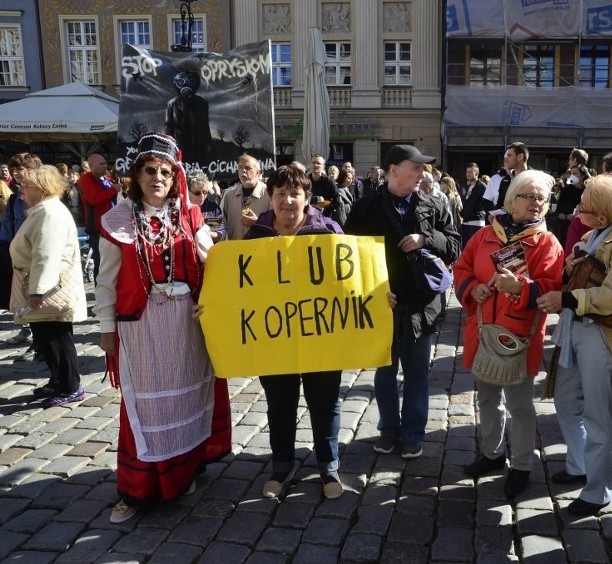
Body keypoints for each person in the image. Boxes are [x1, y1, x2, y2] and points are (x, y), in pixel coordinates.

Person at [94, 132, 231, 524]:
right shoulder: (118, 220)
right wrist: (106, 328)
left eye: (166, 172)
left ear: (175, 177)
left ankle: (182, 475)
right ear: (137, 175)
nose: (158, 178)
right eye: (150, 170)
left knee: (185, 400)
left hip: (186, 323)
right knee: (145, 407)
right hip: (142, 324)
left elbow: (215, 261)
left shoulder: (189, 215)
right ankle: (138, 491)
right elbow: (106, 281)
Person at [536, 174, 612, 515]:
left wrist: (568, 298)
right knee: (567, 399)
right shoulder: (594, 234)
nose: (576, 211)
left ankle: (598, 490)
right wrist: (571, 268)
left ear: (601, 215)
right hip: (576, 327)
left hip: (601, 334)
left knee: (600, 414)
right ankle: (579, 464)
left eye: (583, 206)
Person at [345, 144, 460, 459]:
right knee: (384, 372)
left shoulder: (435, 204)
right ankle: (388, 429)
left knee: (417, 371)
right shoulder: (365, 207)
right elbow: (348, 258)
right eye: (416, 166)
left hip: (422, 305)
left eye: (423, 167)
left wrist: (426, 239)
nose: (422, 172)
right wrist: (370, 293)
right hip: (382, 304)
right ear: (393, 170)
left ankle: (412, 433)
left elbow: (454, 246)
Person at [454, 170, 563, 498]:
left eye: (541, 198)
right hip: (484, 331)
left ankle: (521, 466)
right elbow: (462, 268)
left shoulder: (546, 242)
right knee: (487, 398)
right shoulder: (484, 235)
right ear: (511, 200)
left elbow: (554, 287)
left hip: (518, 336)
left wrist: (521, 287)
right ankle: (492, 453)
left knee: (520, 405)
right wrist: (473, 290)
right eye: (528, 196)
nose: (535, 203)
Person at [244, 165, 345, 500]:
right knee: (280, 403)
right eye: (280, 194)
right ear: (270, 198)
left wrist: (376, 299)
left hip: (323, 337)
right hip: (274, 338)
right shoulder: (255, 236)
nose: (288, 200)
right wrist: (215, 307)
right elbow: (238, 285)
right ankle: (281, 465)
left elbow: (351, 279)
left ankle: (328, 466)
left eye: (295, 194)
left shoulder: (328, 231)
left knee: (325, 403)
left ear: (307, 198)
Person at [10, 165, 88, 407]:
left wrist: (38, 290)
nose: (21, 189)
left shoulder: (50, 213)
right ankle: (58, 381)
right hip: (38, 283)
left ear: (42, 190)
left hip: (49, 289)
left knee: (57, 338)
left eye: (27, 185)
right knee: (46, 337)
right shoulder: (41, 210)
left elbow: (46, 254)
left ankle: (70, 386)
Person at [1, 153, 43, 357]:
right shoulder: (13, 199)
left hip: (38, 253)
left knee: (40, 298)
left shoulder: (43, 196)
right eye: (14, 169)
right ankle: (34, 336)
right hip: (19, 255)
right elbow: (7, 228)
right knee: (24, 298)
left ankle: (42, 342)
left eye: (21, 168)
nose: (17, 173)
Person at [78, 153, 119, 283]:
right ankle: (100, 296)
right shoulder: (85, 179)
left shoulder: (106, 179)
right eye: (101, 163)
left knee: (113, 263)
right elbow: (94, 199)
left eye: (105, 163)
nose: (105, 165)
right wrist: (114, 190)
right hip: (98, 229)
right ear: (91, 166)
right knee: (101, 264)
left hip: (112, 228)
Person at [220, 154, 269, 240]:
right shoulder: (229, 195)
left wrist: (257, 223)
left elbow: (278, 226)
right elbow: (222, 226)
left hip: (260, 250)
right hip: (235, 250)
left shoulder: (269, 194)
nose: (243, 171)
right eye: (240, 167)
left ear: (258, 172)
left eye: (248, 168)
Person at [458, 162, 493, 247]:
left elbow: (488, 204)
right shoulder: (467, 186)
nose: (468, 174)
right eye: (467, 172)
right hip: (466, 222)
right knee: (464, 249)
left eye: (470, 172)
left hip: (476, 223)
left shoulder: (483, 187)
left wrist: (478, 212)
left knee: (475, 248)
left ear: (476, 173)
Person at [187, 170, 226, 243]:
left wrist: (203, 233)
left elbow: (221, 234)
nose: (202, 196)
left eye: (205, 192)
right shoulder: (179, 209)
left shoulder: (212, 208)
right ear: (187, 191)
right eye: (197, 193)